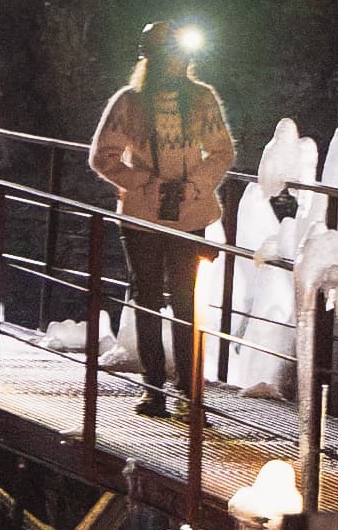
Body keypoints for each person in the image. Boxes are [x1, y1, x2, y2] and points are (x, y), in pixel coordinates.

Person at [88, 21, 235, 417]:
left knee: (187, 302)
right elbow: (103, 156)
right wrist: (146, 184)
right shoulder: (129, 103)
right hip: (142, 219)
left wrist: (193, 186)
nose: (180, 60)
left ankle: (190, 391)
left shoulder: (201, 100)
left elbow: (221, 151)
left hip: (189, 215)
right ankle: (154, 388)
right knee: (148, 300)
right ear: (153, 57)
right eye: (172, 52)